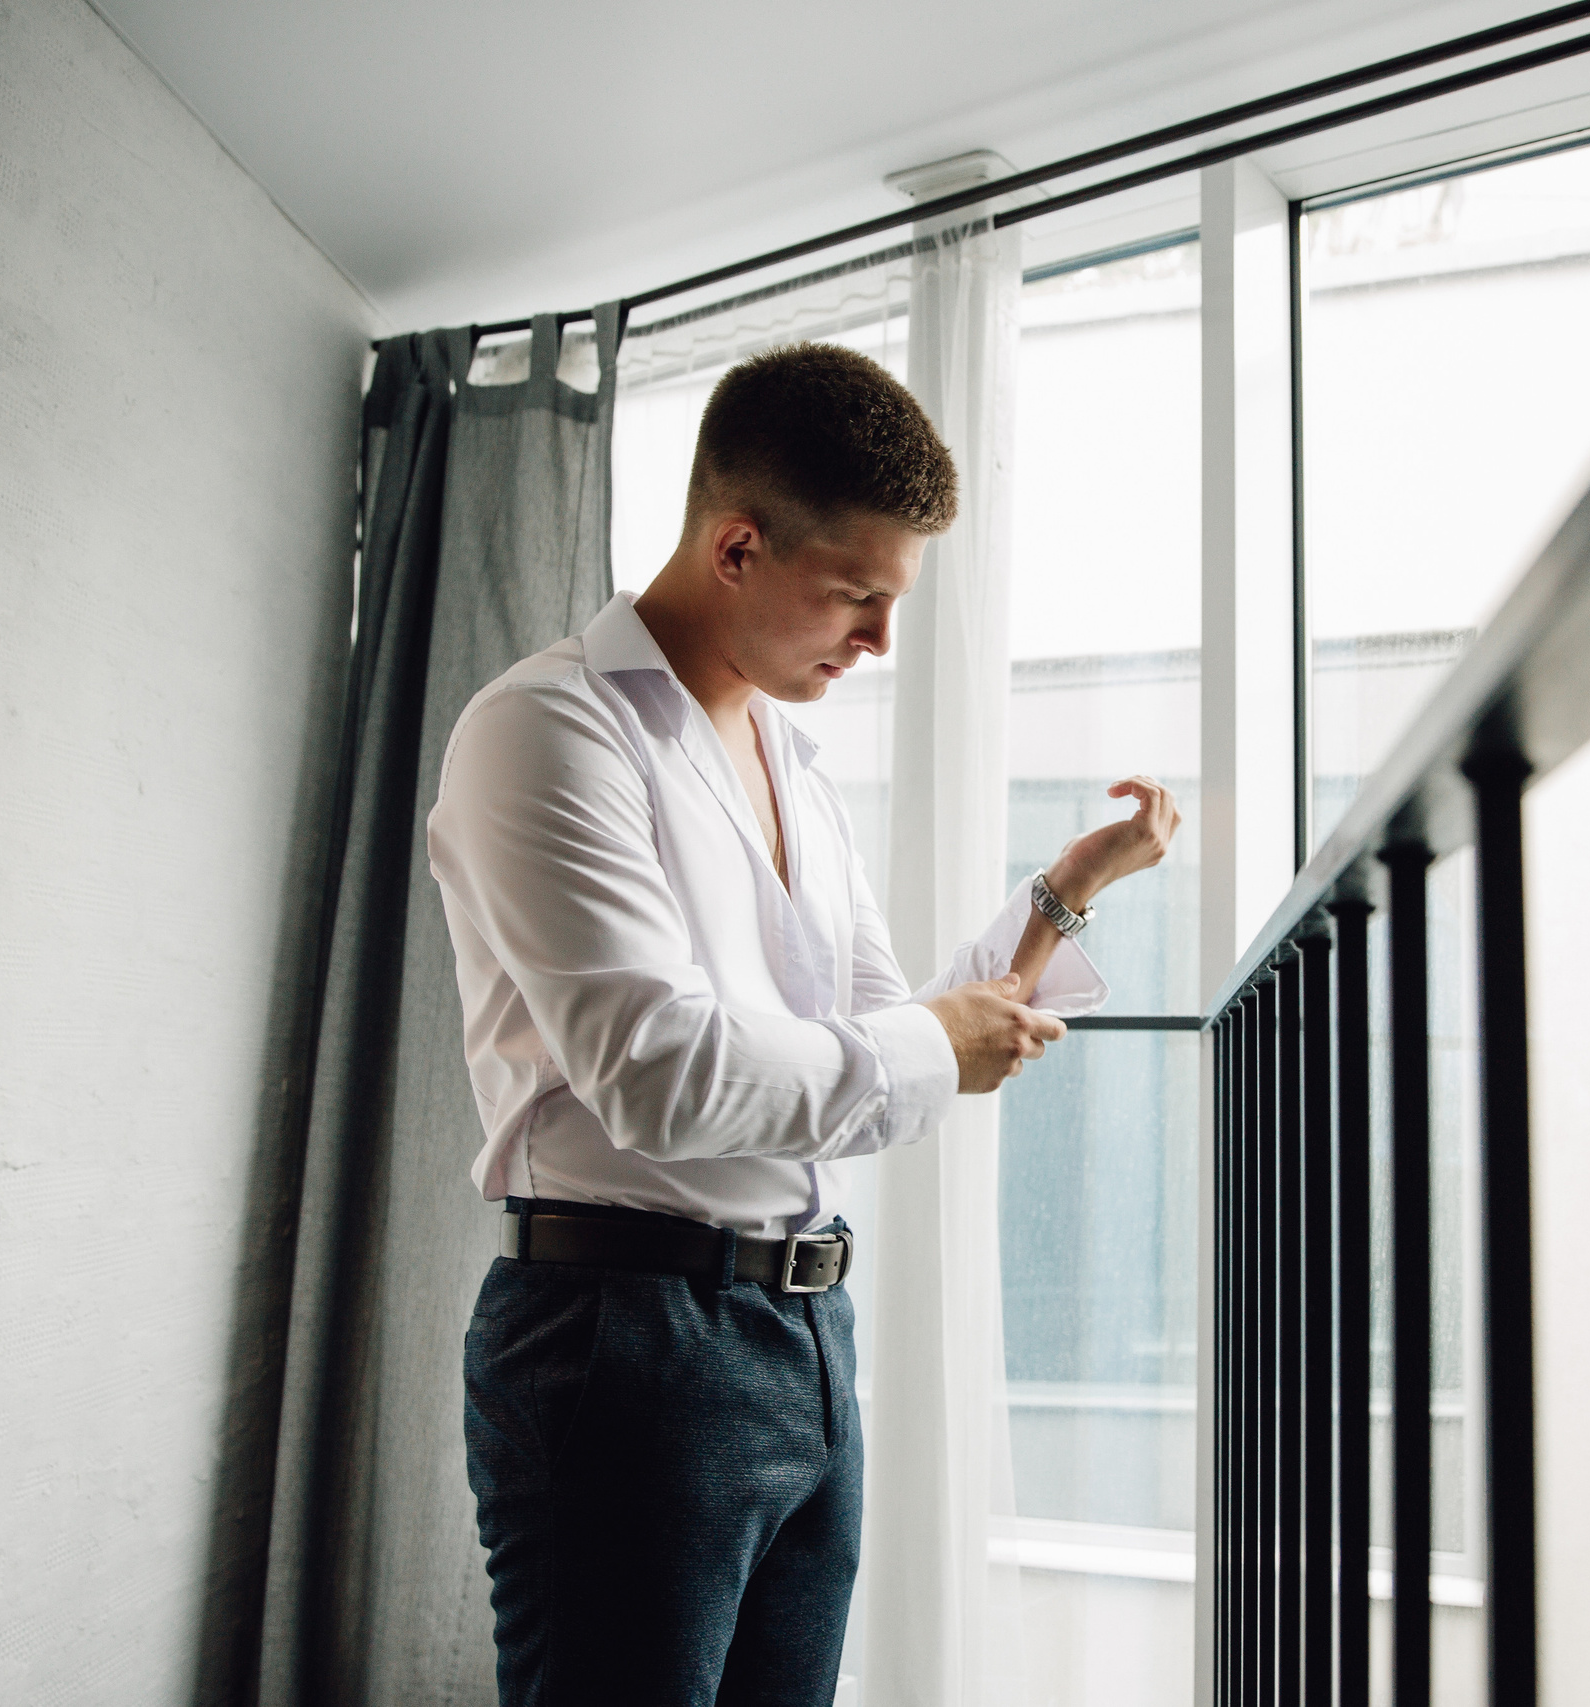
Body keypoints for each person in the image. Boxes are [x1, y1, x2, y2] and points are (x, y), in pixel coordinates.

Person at [425, 341, 1179, 1707]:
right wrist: (926, 1047)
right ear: (735, 547)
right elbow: (663, 1076)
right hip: (625, 1336)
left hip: (805, 1340)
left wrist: (1063, 898)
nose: (878, 642)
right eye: (854, 597)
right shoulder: (543, 732)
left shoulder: (798, 766)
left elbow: (884, 1047)